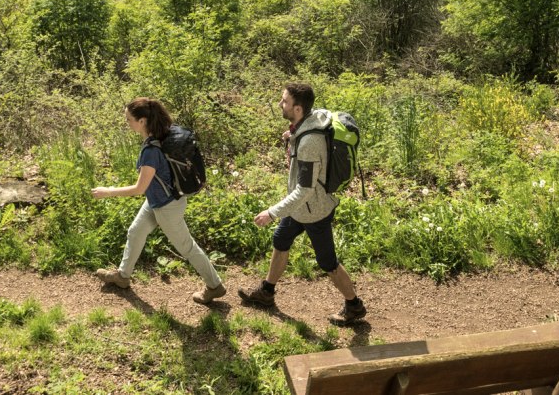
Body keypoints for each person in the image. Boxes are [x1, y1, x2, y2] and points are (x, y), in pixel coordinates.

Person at [239, 82, 367, 325]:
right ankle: (267, 292)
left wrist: (271, 212)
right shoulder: (312, 119)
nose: (280, 104)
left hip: (313, 210)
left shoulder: (309, 144)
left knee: (327, 262)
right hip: (301, 209)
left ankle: (354, 306)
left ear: (298, 108)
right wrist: (293, 135)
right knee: (281, 239)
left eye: (284, 101)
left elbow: (304, 190)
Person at [91, 97, 226, 305]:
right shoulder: (165, 133)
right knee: (136, 232)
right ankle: (122, 276)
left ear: (142, 121)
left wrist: (107, 191)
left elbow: (139, 189)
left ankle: (214, 286)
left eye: (129, 119)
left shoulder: (151, 152)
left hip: (167, 207)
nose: (127, 123)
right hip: (161, 200)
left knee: (187, 248)